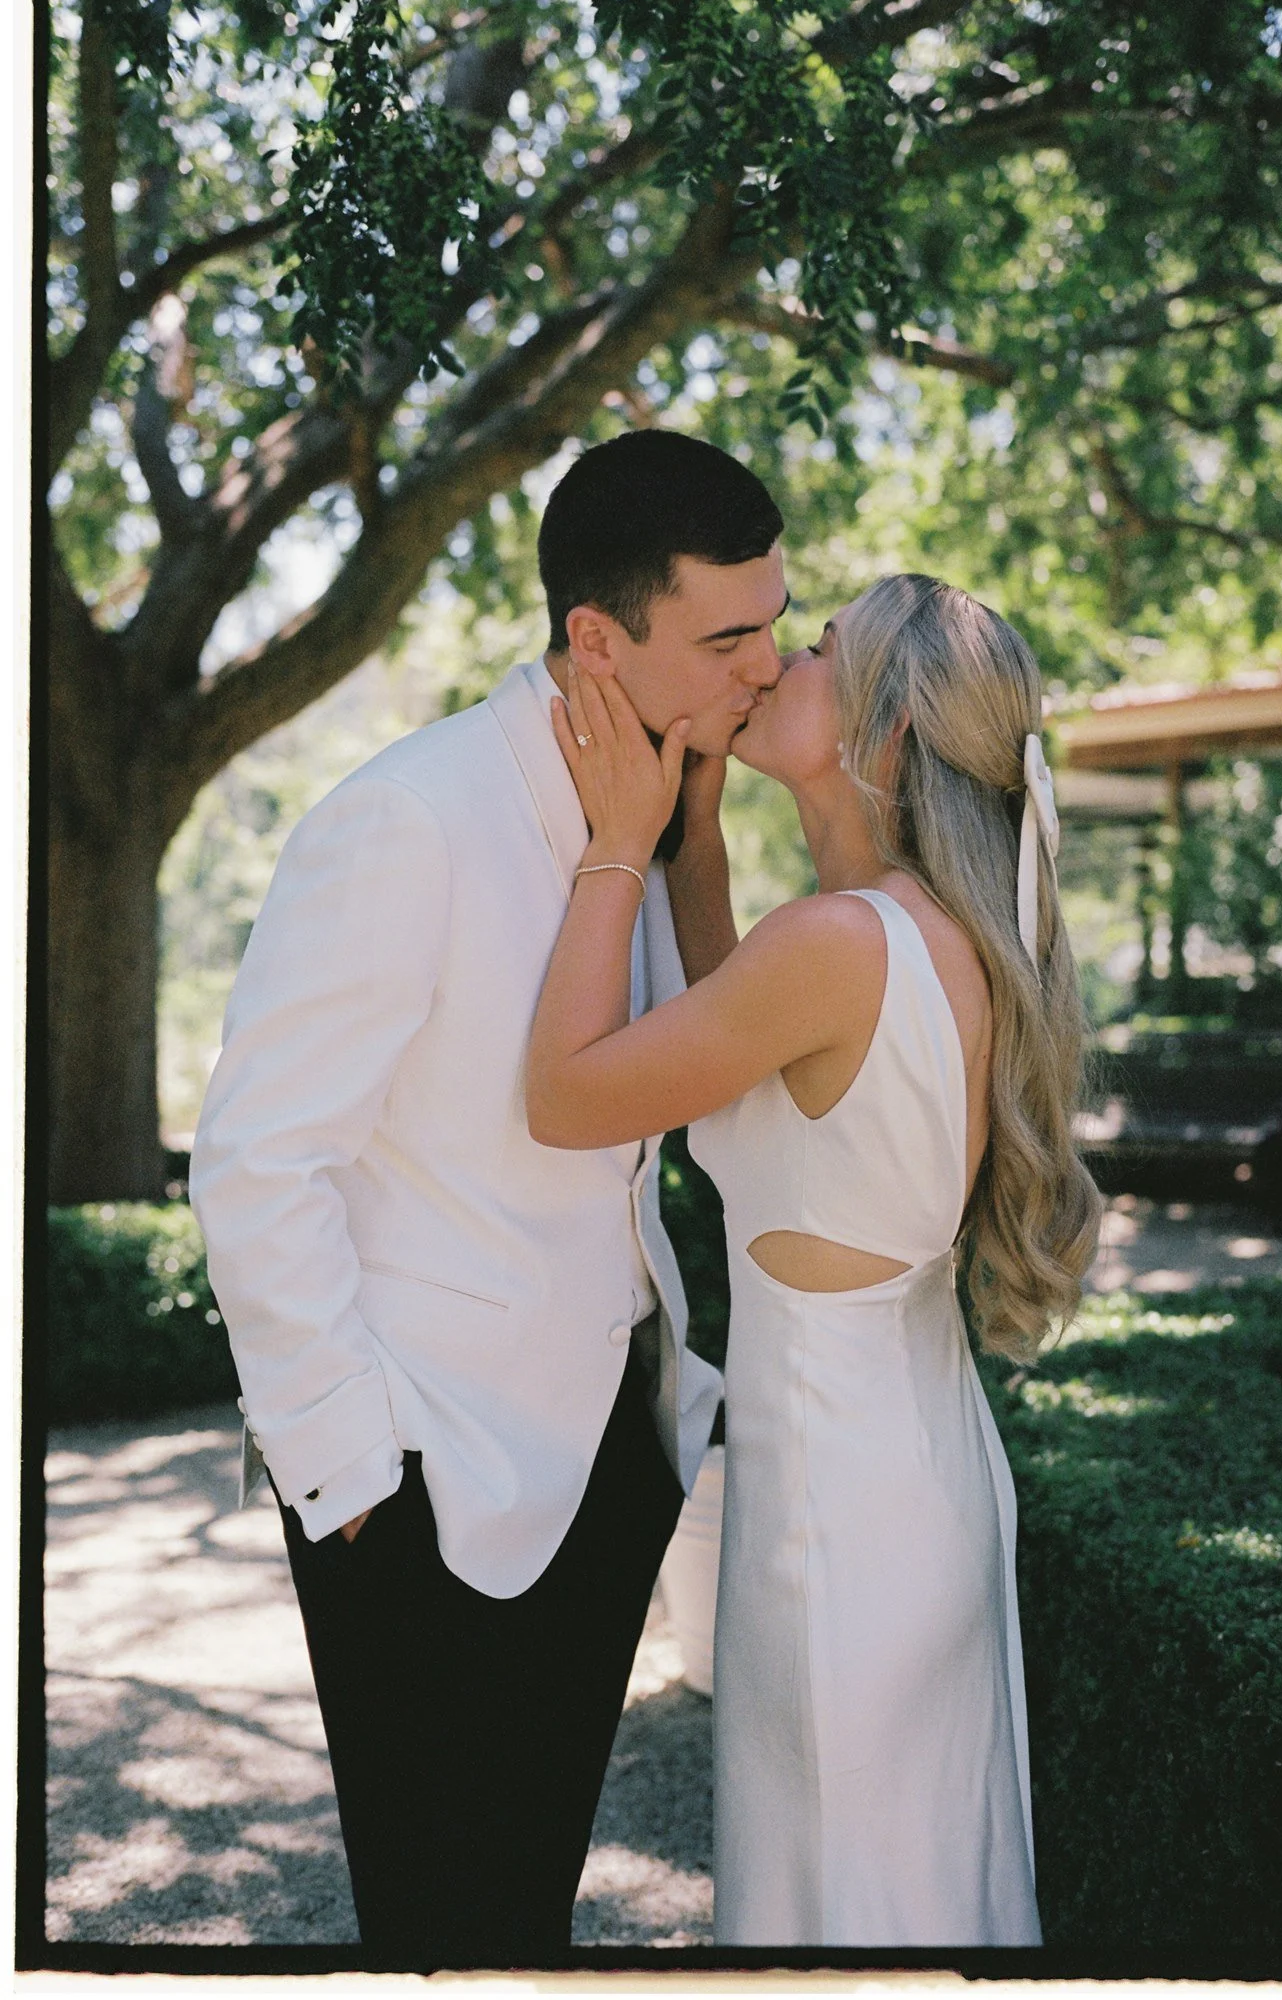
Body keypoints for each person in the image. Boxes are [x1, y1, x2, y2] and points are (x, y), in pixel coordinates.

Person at [188, 429, 789, 1967]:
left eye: (777, 622)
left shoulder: (651, 809)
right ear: (598, 637)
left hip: (611, 1457)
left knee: (527, 1914)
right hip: (420, 1477)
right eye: (728, 637)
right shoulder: (407, 819)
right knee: (440, 1927)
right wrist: (349, 1477)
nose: (767, 668)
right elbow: (260, 1164)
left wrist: (679, 841)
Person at [526, 572, 1103, 1948]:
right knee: (893, 1890)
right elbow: (739, 1102)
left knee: (837, 1903)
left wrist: (618, 843)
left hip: (835, 1516)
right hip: (909, 1473)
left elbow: (564, 1097)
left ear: (883, 732)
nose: (773, 658)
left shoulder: (837, 945)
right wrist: (696, 851)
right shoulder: (915, 934)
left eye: (817, 650)